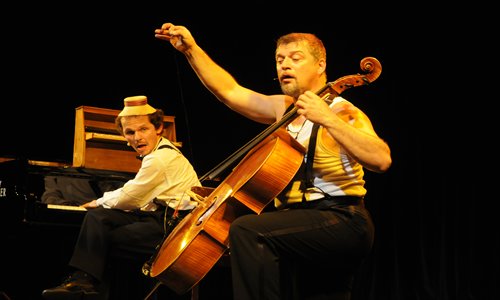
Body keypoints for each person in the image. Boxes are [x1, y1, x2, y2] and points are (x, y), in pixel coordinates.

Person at [155, 23, 392, 300]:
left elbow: (381, 159)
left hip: (342, 220)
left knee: (247, 231)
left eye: (295, 58)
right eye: (280, 60)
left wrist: (326, 118)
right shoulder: (284, 108)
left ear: (320, 65)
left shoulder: (343, 111)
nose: (285, 65)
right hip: (298, 222)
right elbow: (230, 91)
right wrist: (191, 50)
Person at [42, 95, 201, 299]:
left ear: (158, 128)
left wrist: (98, 201)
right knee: (98, 218)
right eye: (130, 132)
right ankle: (82, 280)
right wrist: (101, 206)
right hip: (156, 216)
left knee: (105, 239)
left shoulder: (161, 158)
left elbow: (131, 196)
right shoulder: (154, 154)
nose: (137, 138)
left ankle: (97, 292)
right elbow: (135, 194)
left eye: (143, 129)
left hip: (174, 225)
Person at [41, 175, 125, 206]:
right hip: (67, 211)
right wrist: (68, 205)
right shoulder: (54, 171)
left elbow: (113, 194)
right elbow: (50, 195)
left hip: (95, 212)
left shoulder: (96, 165)